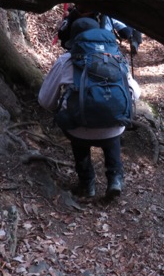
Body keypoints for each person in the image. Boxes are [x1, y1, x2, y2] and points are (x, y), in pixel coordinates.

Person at [39, 17, 141, 201]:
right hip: (114, 127)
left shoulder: (66, 61)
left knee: (76, 130)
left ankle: (87, 183)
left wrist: (60, 108)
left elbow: (45, 100)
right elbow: (136, 92)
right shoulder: (116, 57)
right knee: (112, 129)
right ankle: (115, 179)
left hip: (79, 128)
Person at [57, 3, 143, 55]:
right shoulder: (107, 15)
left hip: (74, 53)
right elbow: (126, 33)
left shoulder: (72, 14)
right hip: (104, 53)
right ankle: (136, 40)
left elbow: (61, 35)